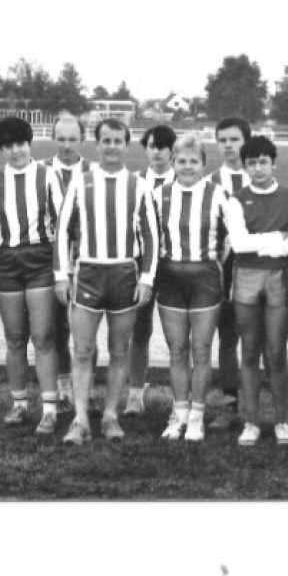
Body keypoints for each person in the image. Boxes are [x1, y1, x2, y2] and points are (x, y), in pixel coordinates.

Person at [54, 118, 159, 444]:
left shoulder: (138, 184)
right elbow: (62, 232)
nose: (112, 146)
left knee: (119, 349)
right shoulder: (80, 182)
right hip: (88, 274)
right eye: (106, 140)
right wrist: (61, 275)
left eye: (118, 140)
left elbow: (151, 237)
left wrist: (146, 279)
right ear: (96, 144)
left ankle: (111, 415)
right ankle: (81, 418)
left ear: (126, 145)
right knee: (83, 350)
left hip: (124, 276)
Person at [0, 116, 63, 437]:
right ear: (1, 148)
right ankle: (19, 404)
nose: (15, 150)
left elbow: (61, 228)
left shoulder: (48, 176)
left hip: (41, 260)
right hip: (6, 263)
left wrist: (60, 271)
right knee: (15, 338)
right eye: (8, 145)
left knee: (43, 337)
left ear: (29, 144)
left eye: (20, 143)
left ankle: (49, 410)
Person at [227, 135, 288, 447]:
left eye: (263, 162)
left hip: (278, 280)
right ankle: (252, 422)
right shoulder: (235, 199)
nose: (257, 168)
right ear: (244, 167)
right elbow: (240, 243)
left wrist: (269, 244)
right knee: (249, 350)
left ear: (274, 164)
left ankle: (282, 420)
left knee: (276, 352)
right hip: (245, 277)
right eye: (251, 163)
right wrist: (276, 238)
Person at [154, 133, 229, 442]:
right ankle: (179, 413)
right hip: (169, 277)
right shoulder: (158, 194)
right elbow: (148, 236)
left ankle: (197, 415)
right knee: (177, 350)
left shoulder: (218, 194)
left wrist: (217, 264)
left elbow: (232, 237)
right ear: (172, 163)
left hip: (205, 278)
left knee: (201, 349)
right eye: (181, 161)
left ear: (203, 164)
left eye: (193, 161)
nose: (187, 167)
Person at [124, 125, 177, 417]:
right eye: (151, 146)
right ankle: (135, 395)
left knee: (177, 337)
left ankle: (181, 400)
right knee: (139, 331)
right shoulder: (134, 182)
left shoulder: (184, 179)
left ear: (172, 150)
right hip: (141, 268)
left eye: (162, 146)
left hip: (172, 268)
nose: (156, 151)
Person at [205, 116, 251, 430]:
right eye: (223, 140)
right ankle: (230, 403)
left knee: (257, 340)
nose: (228, 146)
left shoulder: (258, 177)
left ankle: (255, 407)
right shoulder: (210, 182)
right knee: (227, 340)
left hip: (254, 269)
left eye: (234, 139)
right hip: (221, 271)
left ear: (245, 141)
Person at [44, 113, 93, 410]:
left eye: (72, 139)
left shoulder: (94, 171)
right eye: (60, 138)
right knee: (57, 327)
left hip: (88, 259)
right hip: (51, 260)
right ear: (53, 139)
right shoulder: (41, 171)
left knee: (86, 330)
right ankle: (63, 386)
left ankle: (86, 390)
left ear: (82, 140)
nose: (66, 145)